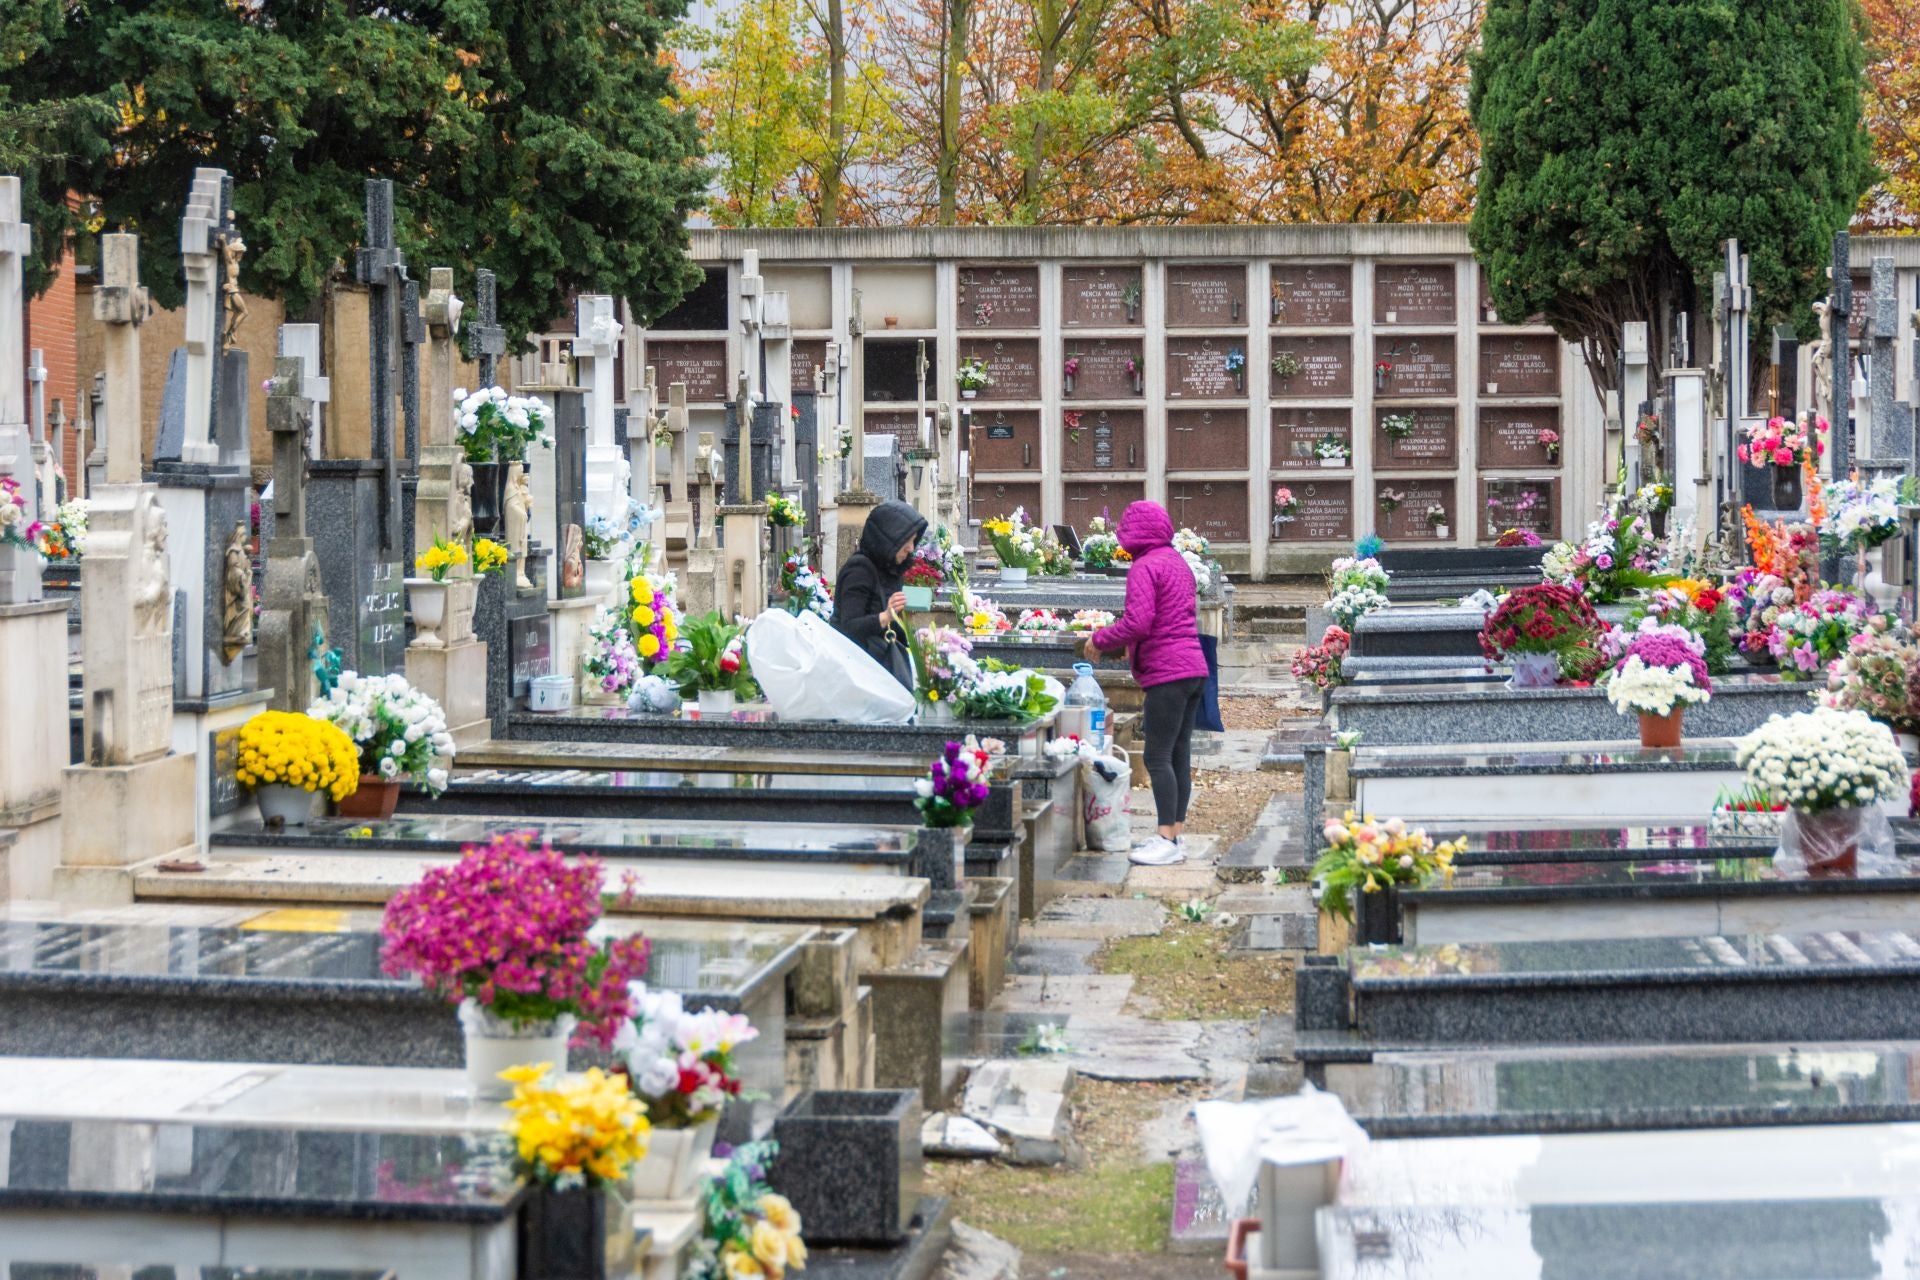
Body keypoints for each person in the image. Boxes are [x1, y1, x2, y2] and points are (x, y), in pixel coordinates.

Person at [1082, 500, 1208, 866]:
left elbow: (1138, 622)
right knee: (1179, 754)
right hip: (1193, 668)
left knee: (1156, 756)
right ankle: (1175, 835)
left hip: (1168, 673)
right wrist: (1131, 646)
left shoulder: (1144, 566)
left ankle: (1165, 838)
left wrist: (1100, 639)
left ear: (1133, 533)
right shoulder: (1177, 562)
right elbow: (1167, 618)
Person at [834, 499, 928, 690]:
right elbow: (848, 627)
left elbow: (892, 627)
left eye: (913, 541)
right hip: (856, 671)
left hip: (876, 666)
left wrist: (917, 641)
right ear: (890, 538)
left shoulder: (890, 570)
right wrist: (885, 616)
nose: (911, 548)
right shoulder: (860, 569)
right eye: (907, 541)